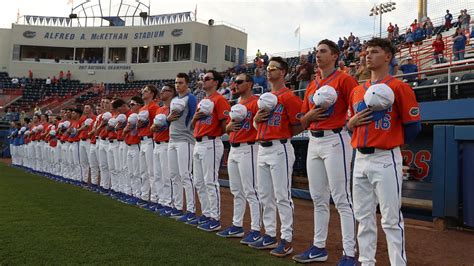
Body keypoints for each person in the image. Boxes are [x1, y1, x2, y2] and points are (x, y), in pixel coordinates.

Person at [347, 37, 421, 266]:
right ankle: (366, 262)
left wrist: (391, 143)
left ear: (388, 57)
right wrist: (351, 125)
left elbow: (413, 126)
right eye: (367, 52)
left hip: (385, 156)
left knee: (390, 219)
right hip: (360, 157)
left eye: (375, 51)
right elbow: (351, 126)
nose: (368, 55)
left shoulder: (400, 87)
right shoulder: (357, 91)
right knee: (363, 216)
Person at [295, 39, 357, 265]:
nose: (318, 55)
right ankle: (318, 247)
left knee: (341, 198)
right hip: (314, 140)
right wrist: (308, 117)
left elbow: (358, 104)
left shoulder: (345, 79)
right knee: (318, 198)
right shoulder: (312, 85)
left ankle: (349, 254)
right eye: (316, 52)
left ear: (335, 56)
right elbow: (302, 120)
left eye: (323, 51)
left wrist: (350, 122)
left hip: (335, 139)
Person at [249, 57, 303, 257]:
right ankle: (270, 234)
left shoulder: (289, 97)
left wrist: (285, 133)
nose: (269, 71)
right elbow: (258, 125)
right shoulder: (264, 97)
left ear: (283, 72)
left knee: (282, 195)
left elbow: (301, 123)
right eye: (268, 68)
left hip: (280, 147)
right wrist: (255, 120)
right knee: (264, 195)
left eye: (273, 68)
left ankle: (286, 239)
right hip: (262, 147)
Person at [216, 73, 262, 244]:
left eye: (240, 81)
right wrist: (228, 126)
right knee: (237, 191)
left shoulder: (257, 102)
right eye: (235, 82)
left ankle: (256, 229)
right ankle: (237, 225)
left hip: (249, 147)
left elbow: (261, 125)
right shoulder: (237, 104)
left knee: (251, 190)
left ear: (249, 84)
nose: (235, 84)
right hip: (234, 148)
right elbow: (227, 128)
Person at [191, 70, 230, 231]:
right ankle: (206, 214)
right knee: (199, 182)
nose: (204, 81)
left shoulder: (220, 100)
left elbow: (224, 125)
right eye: (203, 78)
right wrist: (194, 119)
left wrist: (215, 134)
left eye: (207, 78)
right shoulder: (203, 101)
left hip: (211, 142)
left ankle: (215, 218)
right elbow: (195, 125)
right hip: (198, 142)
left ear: (215, 82)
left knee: (209, 181)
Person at [165, 73, 198, 221]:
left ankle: (191, 210)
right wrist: (167, 119)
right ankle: (178, 207)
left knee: (185, 175)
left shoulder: (190, 98)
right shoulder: (174, 100)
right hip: (172, 139)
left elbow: (193, 118)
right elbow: (169, 119)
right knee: (174, 175)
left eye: (181, 82)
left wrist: (189, 130)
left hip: (185, 139)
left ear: (187, 84)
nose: (178, 85)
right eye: (176, 82)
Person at [150, 84, 176, 217]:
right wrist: (154, 128)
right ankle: (161, 200)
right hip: (157, 143)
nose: (163, 92)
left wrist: (165, 122)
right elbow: (152, 127)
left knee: (167, 176)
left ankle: (168, 203)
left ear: (172, 93)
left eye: (166, 90)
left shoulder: (174, 107)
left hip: (167, 143)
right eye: (162, 90)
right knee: (158, 175)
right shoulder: (159, 109)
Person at [137, 85, 160, 208]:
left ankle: (154, 198)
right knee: (143, 171)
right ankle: (145, 196)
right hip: (142, 140)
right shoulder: (143, 108)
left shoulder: (154, 106)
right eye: (143, 90)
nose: (143, 92)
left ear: (152, 93)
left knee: (152, 171)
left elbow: (157, 124)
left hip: (150, 140)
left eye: (146, 91)